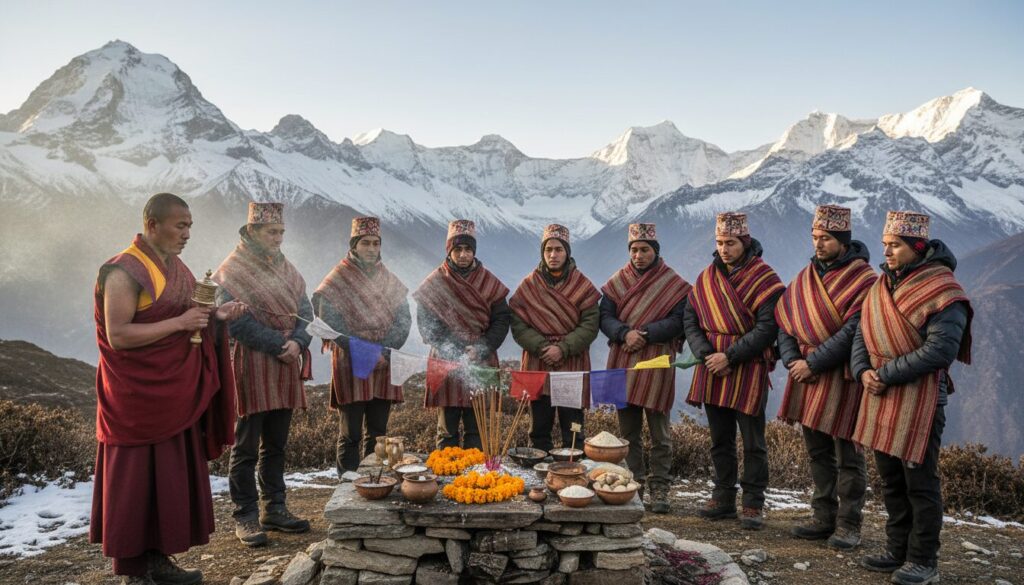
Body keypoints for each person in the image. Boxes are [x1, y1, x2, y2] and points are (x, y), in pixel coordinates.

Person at [91, 192, 245, 585]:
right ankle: (134, 570)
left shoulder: (173, 267)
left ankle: (159, 561)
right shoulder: (124, 271)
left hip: (172, 393)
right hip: (135, 397)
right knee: (136, 482)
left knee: (167, 478)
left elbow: (188, 316)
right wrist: (182, 324)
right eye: (181, 225)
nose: (187, 233)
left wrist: (216, 318)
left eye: (190, 225)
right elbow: (120, 334)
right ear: (152, 224)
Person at [852, 211, 972, 585]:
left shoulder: (943, 291)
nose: (887, 252)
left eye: (896, 246)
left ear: (917, 247)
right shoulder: (881, 285)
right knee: (890, 479)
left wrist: (884, 374)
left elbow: (941, 350)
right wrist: (862, 371)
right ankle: (896, 549)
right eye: (886, 244)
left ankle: (923, 560)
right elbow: (862, 331)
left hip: (920, 398)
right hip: (880, 392)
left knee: (919, 482)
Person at [775, 204, 875, 549]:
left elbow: (853, 330)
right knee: (817, 451)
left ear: (843, 242)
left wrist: (813, 363)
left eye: (826, 239)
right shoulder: (805, 277)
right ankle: (823, 516)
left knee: (847, 454)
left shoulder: (865, 280)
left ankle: (849, 524)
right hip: (803, 373)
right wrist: (791, 361)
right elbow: (785, 320)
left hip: (839, 375)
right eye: (816, 238)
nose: (819, 244)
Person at [213, 202, 313, 547]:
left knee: (276, 443)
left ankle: (275, 507)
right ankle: (245, 515)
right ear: (252, 231)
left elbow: (305, 309)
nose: (279, 238)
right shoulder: (232, 270)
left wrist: (299, 342)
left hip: (286, 363)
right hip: (251, 365)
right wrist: (280, 345)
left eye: (282, 232)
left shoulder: (286, 267)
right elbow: (236, 323)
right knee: (246, 446)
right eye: (273, 232)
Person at [684, 211, 785, 530]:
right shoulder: (706, 278)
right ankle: (723, 497)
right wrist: (705, 353)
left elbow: (768, 328)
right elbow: (691, 319)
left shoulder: (766, 279)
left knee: (753, 440)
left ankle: (753, 503)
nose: (724, 249)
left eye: (730, 243)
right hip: (711, 364)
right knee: (719, 438)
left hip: (747, 366)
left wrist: (729, 356)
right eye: (719, 243)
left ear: (744, 242)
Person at [599, 222, 691, 514]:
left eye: (644, 250)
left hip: (657, 361)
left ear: (655, 251)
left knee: (659, 431)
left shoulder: (673, 285)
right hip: (622, 357)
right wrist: (624, 333)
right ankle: (634, 481)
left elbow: (679, 321)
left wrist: (645, 334)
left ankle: (660, 486)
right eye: (634, 250)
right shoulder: (617, 283)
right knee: (627, 431)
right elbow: (604, 317)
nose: (638, 255)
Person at [312, 216, 411, 474]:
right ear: (354, 245)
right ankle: (348, 487)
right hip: (350, 359)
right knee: (351, 433)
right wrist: (364, 351)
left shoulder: (389, 279)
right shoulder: (338, 279)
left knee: (379, 431)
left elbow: (403, 320)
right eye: (365, 243)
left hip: (383, 362)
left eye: (375, 243)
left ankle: (375, 481)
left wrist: (384, 352)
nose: (371, 248)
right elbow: (329, 323)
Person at [413, 219, 510, 449]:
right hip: (446, 359)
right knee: (447, 426)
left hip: (481, 357)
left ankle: (472, 477)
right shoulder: (435, 283)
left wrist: (482, 347)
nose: (463, 254)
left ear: (474, 251)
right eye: (458, 249)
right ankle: (447, 479)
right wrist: (455, 349)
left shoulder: (489, 282)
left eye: (468, 249)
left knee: (476, 426)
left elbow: (502, 319)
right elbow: (427, 325)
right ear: (449, 250)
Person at [509, 224, 600, 451]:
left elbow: (590, 325)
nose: (553, 255)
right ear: (542, 252)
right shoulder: (529, 285)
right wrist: (542, 347)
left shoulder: (582, 285)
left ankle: (573, 468)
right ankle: (541, 468)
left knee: (573, 426)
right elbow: (518, 324)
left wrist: (563, 347)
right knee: (539, 424)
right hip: (538, 362)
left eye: (558, 249)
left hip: (572, 360)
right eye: (548, 249)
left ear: (567, 252)